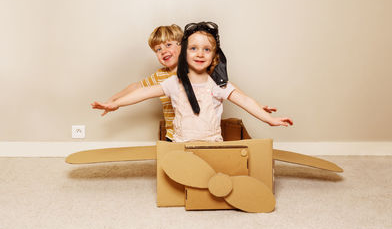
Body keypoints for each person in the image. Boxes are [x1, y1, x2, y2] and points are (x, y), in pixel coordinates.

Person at [92, 22, 292, 142]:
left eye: (206, 50)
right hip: (180, 141)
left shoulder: (216, 82)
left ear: (214, 56)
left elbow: (241, 97)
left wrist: (267, 117)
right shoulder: (171, 81)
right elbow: (139, 91)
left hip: (211, 142)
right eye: (194, 49)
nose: (199, 54)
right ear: (186, 52)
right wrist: (115, 102)